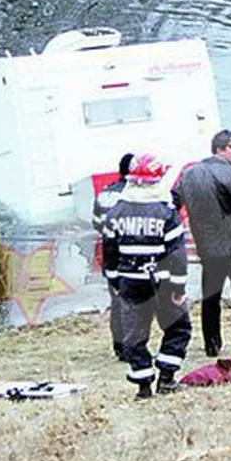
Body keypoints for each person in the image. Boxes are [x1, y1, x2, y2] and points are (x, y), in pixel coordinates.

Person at [103, 154, 192, 399]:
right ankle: (167, 377)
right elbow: (177, 255)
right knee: (178, 328)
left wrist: (114, 282)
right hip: (162, 282)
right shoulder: (165, 212)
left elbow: (109, 253)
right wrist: (179, 287)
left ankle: (143, 385)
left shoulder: (116, 212)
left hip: (129, 282)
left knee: (134, 335)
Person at [175, 129, 231, 357]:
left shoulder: (189, 174)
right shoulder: (230, 173)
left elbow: (174, 201)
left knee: (211, 297)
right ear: (219, 149)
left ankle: (212, 344)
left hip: (207, 247)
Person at [93, 153, 134, 361]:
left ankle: (118, 345)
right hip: (128, 252)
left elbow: (96, 223)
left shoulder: (104, 193)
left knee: (116, 300)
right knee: (132, 302)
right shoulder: (132, 194)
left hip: (109, 253)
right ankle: (130, 346)